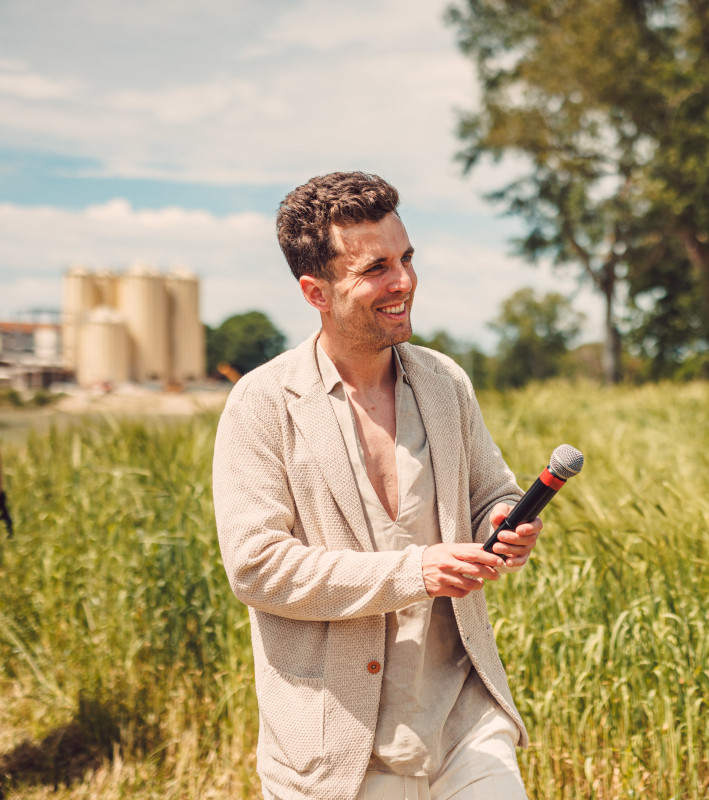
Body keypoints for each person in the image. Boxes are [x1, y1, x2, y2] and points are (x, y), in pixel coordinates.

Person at [213, 171, 541, 800]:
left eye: (408, 258)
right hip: (339, 747)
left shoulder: (444, 382)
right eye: (377, 268)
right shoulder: (260, 404)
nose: (404, 282)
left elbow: (489, 494)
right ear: (316, 290)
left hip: (462, 722)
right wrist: (414, 571)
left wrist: (505, 521)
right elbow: (255, 568)